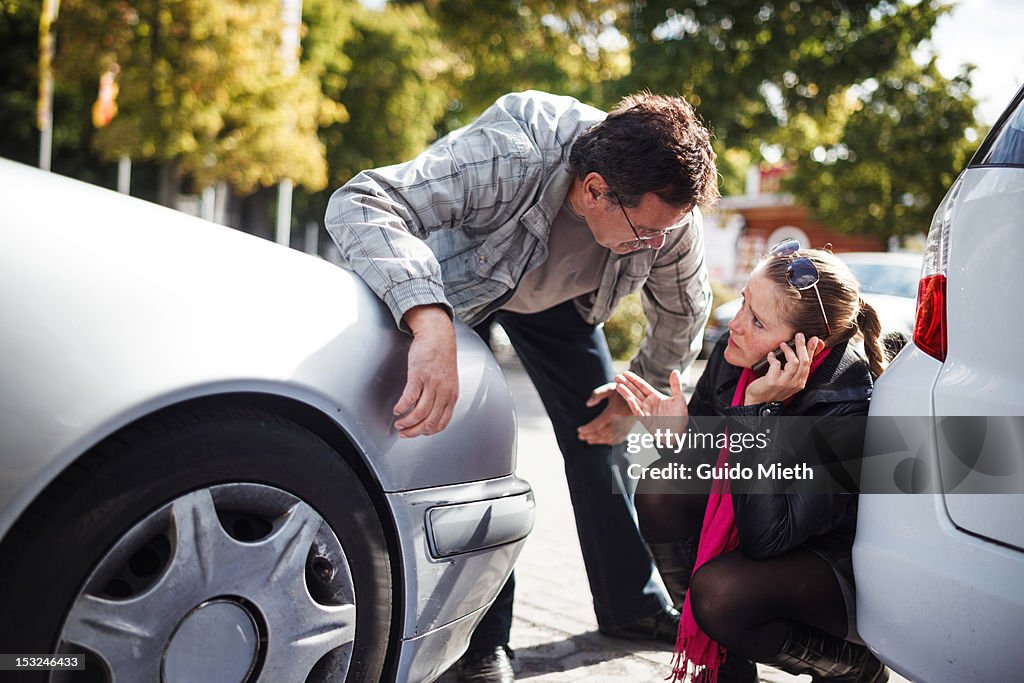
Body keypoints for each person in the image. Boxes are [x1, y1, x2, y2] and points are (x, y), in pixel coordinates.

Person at [325, 90, 719, 682]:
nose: (658, 245)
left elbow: (685, 309)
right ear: (593, 190)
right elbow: (363, 201)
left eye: (668, 231)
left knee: (602, 439)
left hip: (563, 306)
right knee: (475, 451)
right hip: (463, 289)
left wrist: (634, 390)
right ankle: (481, 645)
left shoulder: (665, 219)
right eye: (646, 231)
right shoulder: (512, 151)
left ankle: (631, 607)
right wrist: (428, 320)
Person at [615, 240, 890, 683]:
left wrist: (758, 414)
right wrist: (681, 438)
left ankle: (851, 666)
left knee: (721, 594)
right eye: (744, 302)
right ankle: (723, 666)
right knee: (661, 489)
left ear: (804, 346)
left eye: (758, 321)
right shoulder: (738, 355)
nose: (736, 326)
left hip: (837, 565)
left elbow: (769, 536)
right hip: (772, 526)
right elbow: (714, 471)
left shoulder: (844, 400)